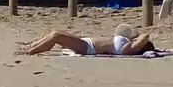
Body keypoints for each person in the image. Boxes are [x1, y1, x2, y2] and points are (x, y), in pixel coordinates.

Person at [18, 23, 155, 56]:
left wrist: (136, 35)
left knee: (56, 36)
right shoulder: (127, 44)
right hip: (86, 43)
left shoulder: (129, 49)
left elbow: (145, 36)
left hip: (88, 48)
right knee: (56, 33)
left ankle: (30, 52)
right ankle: (31, 46)